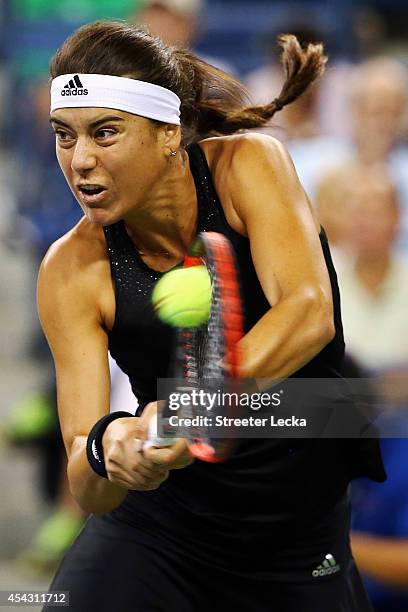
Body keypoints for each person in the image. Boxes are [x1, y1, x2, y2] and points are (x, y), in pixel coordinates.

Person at [38, 21, 385, 611]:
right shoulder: (70, 268)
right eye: (64, 136)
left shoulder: (248, 164)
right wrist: (108, 449)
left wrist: (191, 405)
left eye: (105, 132)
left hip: (294, 535)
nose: (81, 160)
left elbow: (309, 312)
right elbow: (86, 486)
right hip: (158, 535)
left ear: (169, 133)